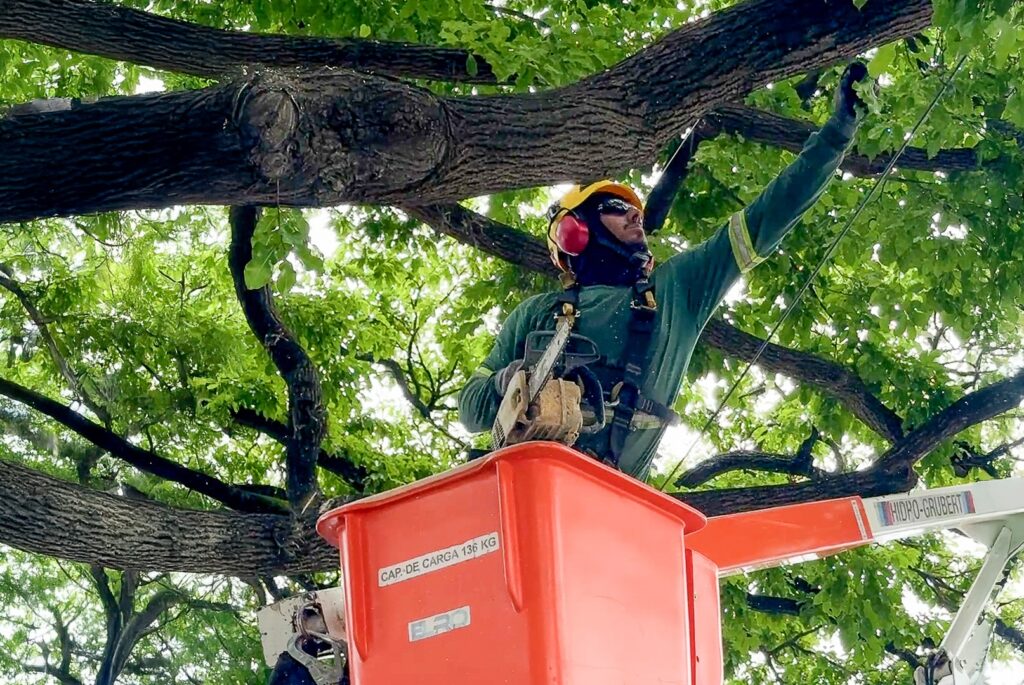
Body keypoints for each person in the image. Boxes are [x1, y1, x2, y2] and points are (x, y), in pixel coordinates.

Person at [458, 63, 872, 483]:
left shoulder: (677, 291)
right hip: (521, 493)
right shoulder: (537, 314)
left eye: (634, 208)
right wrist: (505, 382)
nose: (635, 215)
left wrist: (836, 136)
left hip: (610, 500)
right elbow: (470, 409)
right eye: (617, 209)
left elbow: (767, 217)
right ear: (575, 231)